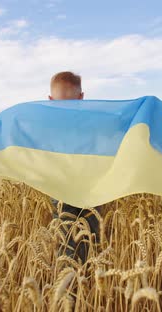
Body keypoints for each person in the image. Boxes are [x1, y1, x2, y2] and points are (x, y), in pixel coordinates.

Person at [48, 71, 101, 263]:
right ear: (50, 100)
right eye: (62, 105)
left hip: (91, 190)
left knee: (91, 237)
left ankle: (89, 279)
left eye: (71, 104)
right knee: (65, 238)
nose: (67, 109)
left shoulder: (93, 123)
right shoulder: (46, 126)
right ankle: (68, 282)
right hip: (61, 190)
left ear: (81, 98)